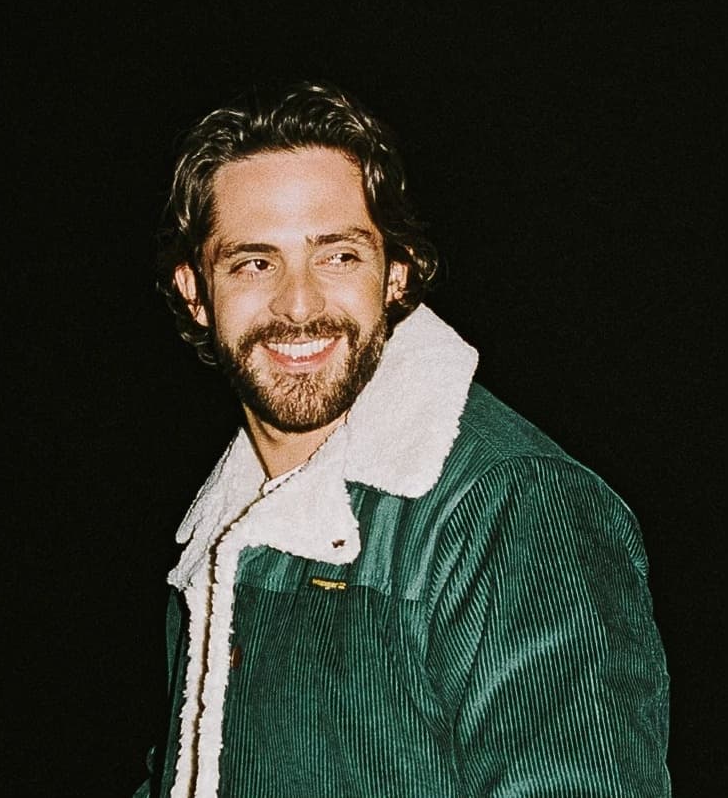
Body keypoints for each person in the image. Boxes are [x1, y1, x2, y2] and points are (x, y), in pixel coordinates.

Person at [136, 82, 670, 798]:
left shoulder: (516, 508)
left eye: (338, 256)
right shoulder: (222, 538)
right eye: (254, 262)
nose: (299, 303)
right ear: (195, 291)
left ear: (396, 275)